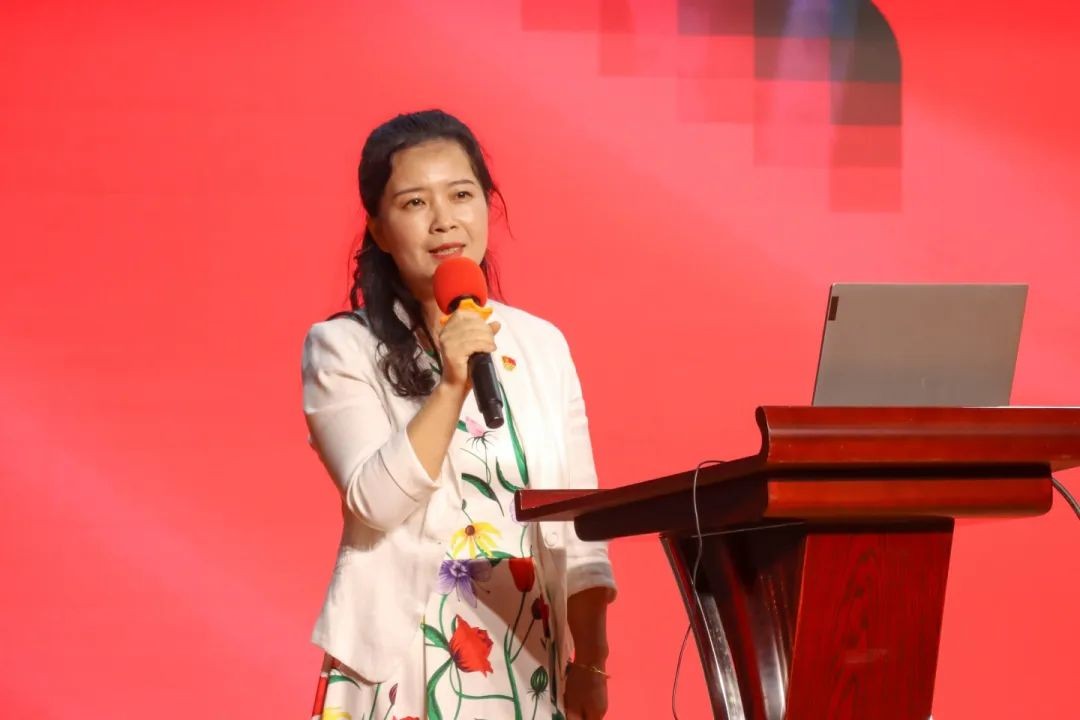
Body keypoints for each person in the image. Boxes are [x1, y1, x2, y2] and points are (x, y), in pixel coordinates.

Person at [302, 109, 616, 720]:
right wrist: (450, 385)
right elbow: (374, 502)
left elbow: (581, 523)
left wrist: (592, 662)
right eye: (415, 202)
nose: (444, 219)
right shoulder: (342, 347)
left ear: (487, 206)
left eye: (462, 195)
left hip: (528, 653)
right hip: (406, 657)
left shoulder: (541, 345)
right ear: (379, 229)